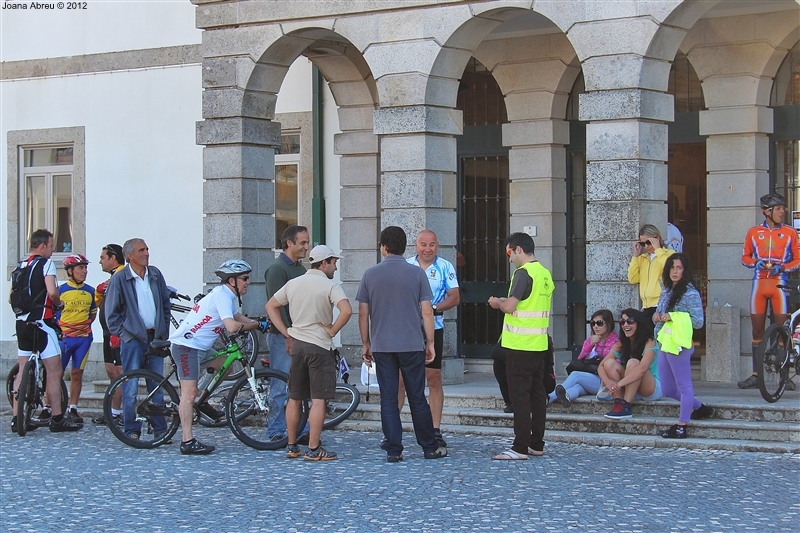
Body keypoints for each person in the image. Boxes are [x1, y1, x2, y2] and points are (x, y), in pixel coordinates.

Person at [357, 226, 447, 462]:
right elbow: (427, 312)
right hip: (411, 343)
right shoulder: (417, 274)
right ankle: (429, 446)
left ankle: (394, 449)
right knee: (417, 395)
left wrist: (366, 343)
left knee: (388, 397)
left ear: (383, 247)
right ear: (405, 246)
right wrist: (430, 342)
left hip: (383, 344)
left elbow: (362, 314)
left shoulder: (370, 274)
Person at [169, 260, 268, 455]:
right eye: (245, 279)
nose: (248, 282)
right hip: (186, 347)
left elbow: (237, 317)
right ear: (232, 280)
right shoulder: (223, 295)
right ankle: (187, 441)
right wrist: (256, 326)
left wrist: (258, 321)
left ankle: (203, 401)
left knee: (226, 364)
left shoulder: (227, 296)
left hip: (200, 346)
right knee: (188, 394)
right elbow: (231, 326)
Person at [266, 245, 352, 461]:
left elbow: (271, 306)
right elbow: (347, 310)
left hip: (298, 345)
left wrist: (286, 330)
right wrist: (332, 330)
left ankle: (292, 445)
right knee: (319, 398)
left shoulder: (294, 283)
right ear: (324, 263)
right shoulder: (330, 285)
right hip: (320, 346)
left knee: (294, 397)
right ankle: (313, 448)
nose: (335, 267)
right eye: (334, 262)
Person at [488, 232, 554, 460]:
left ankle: (519, 447)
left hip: (520, 345)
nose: (508, 258)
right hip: (539, 343)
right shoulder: (545, 273)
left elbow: (511, 306)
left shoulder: (523, 273)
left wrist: (497, 302)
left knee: (520, 397)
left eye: (509, 253)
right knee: (537, 394)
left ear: (518, 250)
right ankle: (537, 443)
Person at [10, 229, 81, 433]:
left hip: (22, 323)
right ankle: (58, 419)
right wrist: (58, 304)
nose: (52, 250)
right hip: (42, 322)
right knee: (54, 370)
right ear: (42, 246)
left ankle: (16, 418)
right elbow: (51, 291)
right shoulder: (46, 264)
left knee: (22, 369)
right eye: (51, 246)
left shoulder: (21, 265)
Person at [104, 238, 171, 441]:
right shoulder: (121, 278)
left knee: (157, 386)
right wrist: (125, 335)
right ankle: (131, 429)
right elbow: (111, 315)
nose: (146, 253)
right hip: (133, 340)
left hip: (155, 338)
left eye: (147, 249)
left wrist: (163, 331)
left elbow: (165, 305)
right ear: (129, 255)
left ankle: (160, 428)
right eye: (141, 250)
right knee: (131, 387)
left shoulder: (156, 274)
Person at [399, 229, 460, 447]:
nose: (427, 249)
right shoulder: (405, 266)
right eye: (423, 244)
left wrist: (432, 308)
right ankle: (393, 429)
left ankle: (435, 429)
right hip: (406, 330)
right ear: (415, 246)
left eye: (432, 245)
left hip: (434, 328)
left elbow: (454, 297)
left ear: (437, 246)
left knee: (433, 379)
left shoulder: (445, 266)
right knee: (400, 380)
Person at [739, 193, 800, 389]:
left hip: (779, 283)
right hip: (760, 284)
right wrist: (756, 263)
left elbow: (798, 259)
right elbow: (745, 258)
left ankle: (783, 376)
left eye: (783, 207)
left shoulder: (790, 233)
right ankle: (757, 375)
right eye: (779, 208)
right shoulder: (753, 232)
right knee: (757, 330)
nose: (783, 211)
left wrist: (781, 268)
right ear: (767, 212)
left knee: (782, 330)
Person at [653, 253, 713, 438]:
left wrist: (673, 317)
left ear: (685, 270)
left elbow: (698, 321)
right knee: (667, 389)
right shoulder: (666, 290)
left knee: (684, 386)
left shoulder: (691, 293)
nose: (675, 271)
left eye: (679, 268)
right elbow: (660, 313)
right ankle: (700, 408)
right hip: (664, 342)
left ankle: (681, 425)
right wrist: (656, 317)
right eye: (672, 267)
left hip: (679, 344)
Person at [263, 225, 311, 443]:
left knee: (299, 385)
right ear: (289, 243)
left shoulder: (300, 269)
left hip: (300, 334)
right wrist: (287, 335)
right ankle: (275, 431)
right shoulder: (277, 269)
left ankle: (300, 429)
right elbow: (276, 308)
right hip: (283, 336)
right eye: (302, 243)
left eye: (307, 242)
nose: (306, 247)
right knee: (279, 387)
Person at [598, 308, 663, 420]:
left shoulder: (650, 341)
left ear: (639, 323)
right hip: (632, 386)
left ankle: (626, 406)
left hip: (652, 388)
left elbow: (642, 369)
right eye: (622, 322)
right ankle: (619, 403)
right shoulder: (621, 343)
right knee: (609, 363)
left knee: (633, 363)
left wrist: (618, 385)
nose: (626, 325)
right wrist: (609, 383)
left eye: (630, 321)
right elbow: (601, 366)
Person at [549, 309, 619, 408]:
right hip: (591, 376)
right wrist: (590, 345)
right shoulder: (590, 340)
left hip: (605, 381)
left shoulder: (616, 342)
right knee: (578, 387)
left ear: (608, 324)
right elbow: (580, 360)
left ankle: (549, 397)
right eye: (593, 323)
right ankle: (567, 396)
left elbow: (617, 363)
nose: (595, 326)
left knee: (576, 375)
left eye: (599, 323)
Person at [57, 254, 97, 423]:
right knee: (56, 374)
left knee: (77, 374)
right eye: (81, 268)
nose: (85, 271)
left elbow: (93, 314)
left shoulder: (90, 291)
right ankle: (49, 406)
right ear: (70, 271)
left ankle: (73, 407)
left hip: (83, 339)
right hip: (65, 338)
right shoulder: (61, 291)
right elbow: (55, 315)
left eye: (85, 268)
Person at [92, 244, 126, 426]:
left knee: (120, 373)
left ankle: (117, 413)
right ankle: (112, 412)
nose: (100, 261)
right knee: (112, 373)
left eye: (103, 257)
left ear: (113, 258)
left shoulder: (121, 275)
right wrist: (98, 292)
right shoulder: (112, 278)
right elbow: (101, 304)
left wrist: (118, 331)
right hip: (107, 333)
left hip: (116, 334)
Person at [627, 224, 674, 323]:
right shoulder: (643, 258)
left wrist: (658, 250)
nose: (647, 246)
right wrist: (635, 257)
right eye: (643, 244)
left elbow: (669, 269)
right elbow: (633, 279)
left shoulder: (669, 254)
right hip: (646, 306)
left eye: (649, 242)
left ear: (657, 238)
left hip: (661, 304)